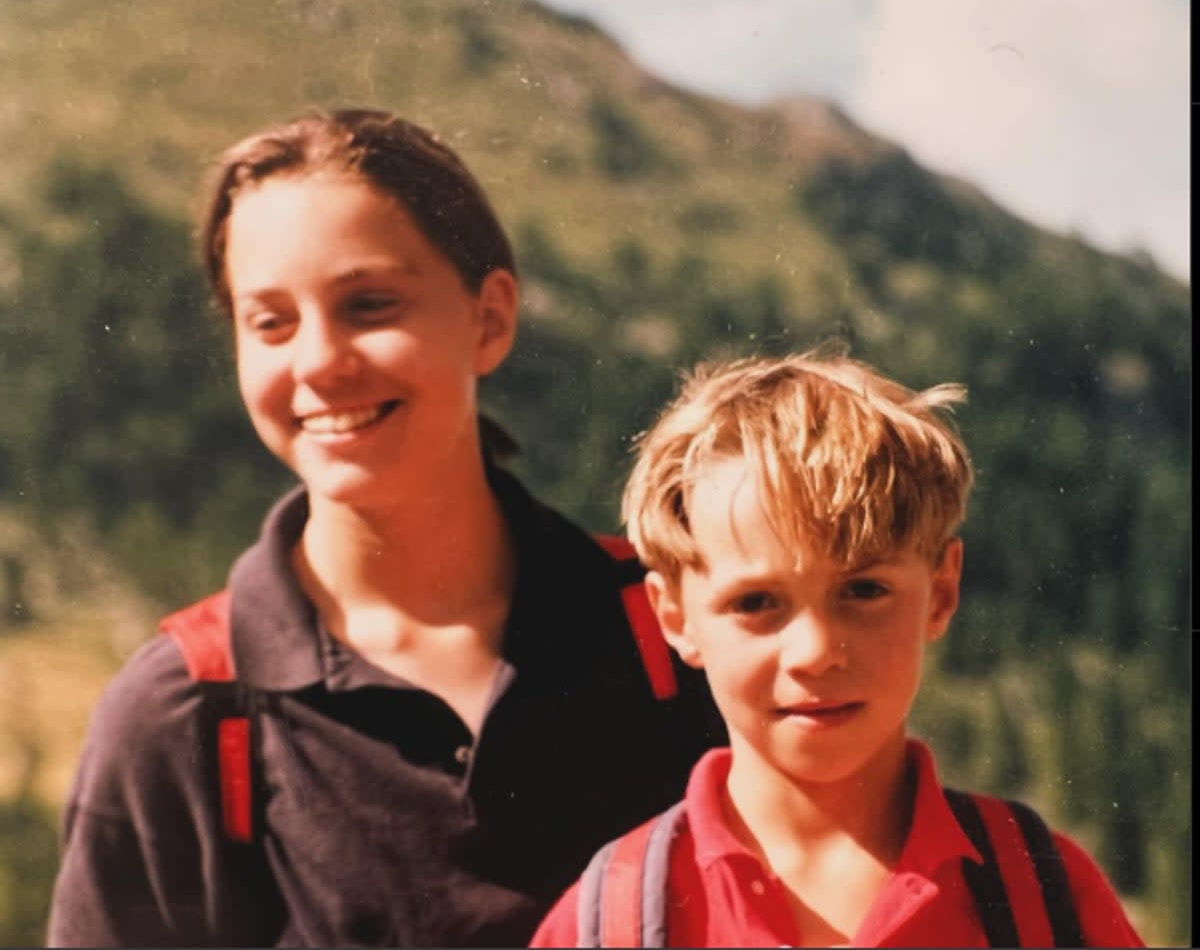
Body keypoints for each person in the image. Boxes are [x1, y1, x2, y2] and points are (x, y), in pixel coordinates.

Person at [46, 108, 724, 947]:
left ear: (490, 318)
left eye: (369, 304)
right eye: (270, 321)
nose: (319, 361)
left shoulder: (684, 631)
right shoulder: (182, 714)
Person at [531, 350, 1144, 948]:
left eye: (863, 590)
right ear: (673, 616)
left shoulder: (1044, 897)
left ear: (941, 590)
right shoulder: (609, 925)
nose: (816, 651)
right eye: (755, 603)